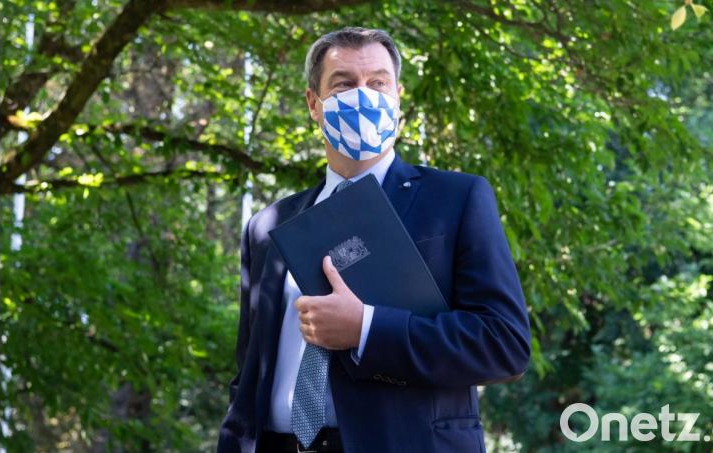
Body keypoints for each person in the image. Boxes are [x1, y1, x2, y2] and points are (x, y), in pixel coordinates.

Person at [217, 27, 530, 453]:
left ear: (397, 97)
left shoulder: (456, 200)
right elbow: (249, 372)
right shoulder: (268, 226)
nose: (363, 95)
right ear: (314, 104)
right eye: (344, 84)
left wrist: (365, 328)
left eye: (377, 83)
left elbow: (504, 344)